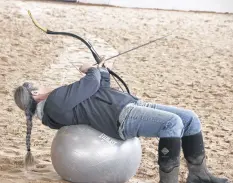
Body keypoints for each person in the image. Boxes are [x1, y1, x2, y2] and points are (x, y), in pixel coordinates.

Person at [14, 61, 230, 183]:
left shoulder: (59, 98)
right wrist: (91, 70)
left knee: (190, 118)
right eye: (38, 86)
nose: (43, 86)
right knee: (172, 124)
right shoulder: (54, 104)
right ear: (35, 94)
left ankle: (199, 176)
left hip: (131, 105)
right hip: (121, 117)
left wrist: (103, 71)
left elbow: (100, 87)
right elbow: (90, 83)